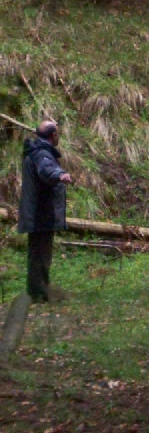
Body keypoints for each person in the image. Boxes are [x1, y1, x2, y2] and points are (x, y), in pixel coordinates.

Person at [17, 120, 73, 303]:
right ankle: (39, 294)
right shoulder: (42, 154)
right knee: (40, 255)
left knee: (38, 254)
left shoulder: (35, 152)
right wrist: (60, 175)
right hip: (40, 213)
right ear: (53, 136)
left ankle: (40, 290)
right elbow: (46, 170)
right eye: (57, 132)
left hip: (36, 212)